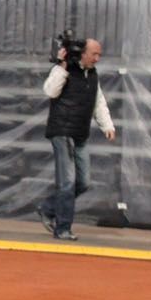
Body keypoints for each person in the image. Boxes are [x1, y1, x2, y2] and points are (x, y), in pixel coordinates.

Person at [35, 37, 115, 241]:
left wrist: (107, 125)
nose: (97, 58)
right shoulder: (64, 69)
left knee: (83, 182)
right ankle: (62, 228)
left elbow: (98, 102)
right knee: (67, 182)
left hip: (80, 134)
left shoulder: (92, 75)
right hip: (62, 132)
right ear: (83, 53)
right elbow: (50, 91)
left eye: (99, 54)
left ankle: (48, 208)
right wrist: (61, 66)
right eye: (94, 54)